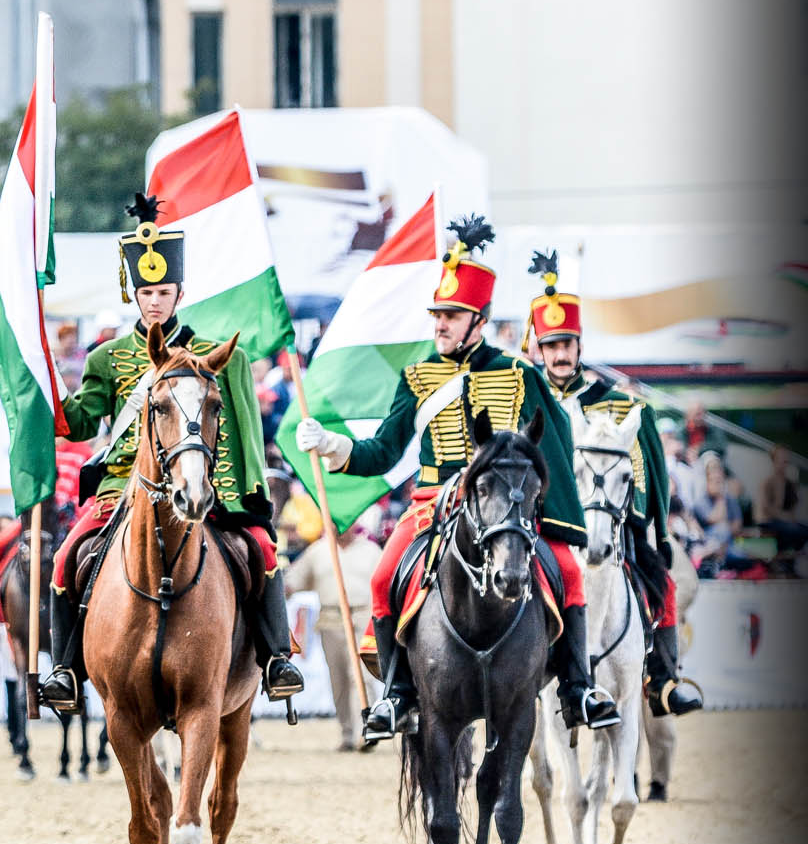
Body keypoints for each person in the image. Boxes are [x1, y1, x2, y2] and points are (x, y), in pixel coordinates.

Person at [295, 215, 613, 741]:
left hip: (504, 508)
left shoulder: (519, 374)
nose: (439, 324)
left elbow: (550, 448)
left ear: (479, 320)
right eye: (438, 314)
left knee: (571, 575)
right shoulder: (417, 376)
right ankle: (397, 694)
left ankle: (578, 686)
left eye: (452, 315)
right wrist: (334, 446)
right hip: (429, 506)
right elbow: (385, 450)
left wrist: (553, 518)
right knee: (381, 579)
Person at [39, 192, 305, 713]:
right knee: (66, 556)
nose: (154, 301)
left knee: (260, 550)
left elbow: (243, 432)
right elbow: (81, 420)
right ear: (133, 295)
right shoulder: (108, 358)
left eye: (163, 291)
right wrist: (40, 388)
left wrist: (241, 496)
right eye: (146, 292)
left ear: (180, 292)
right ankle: (66, 669)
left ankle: (276, 659)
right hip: (123, 486)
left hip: (205, 483)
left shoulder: (217, 356)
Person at [525, 252, 700, 715]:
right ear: (538, 350)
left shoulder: (618, 404)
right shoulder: (527, 403)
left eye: (567, 343)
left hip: (611, 522)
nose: (560, 354)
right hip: (543, 527)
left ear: (580, 347)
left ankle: (663, 681)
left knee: (661, 581)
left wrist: (626, 511)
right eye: (550, 345)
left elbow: (644, 471)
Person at [286, 520, 381, 749]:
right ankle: (347, 733)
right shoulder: (318, 551)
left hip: (362, 618)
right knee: (338, 680)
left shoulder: (371, 551)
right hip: (331, 620)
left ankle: (366, 730)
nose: (341, 528)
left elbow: (383, 583)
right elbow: (293, 581)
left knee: (361, 676)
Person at [755, 443, 807, 551]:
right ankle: (784, 560)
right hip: (769, 522)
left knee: (803, 529)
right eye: (781, 458)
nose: (784, 462)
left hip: (785, 523)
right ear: (774, 460)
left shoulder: (790, 483)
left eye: (786, 458)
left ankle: (788, 559)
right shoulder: (768, 482)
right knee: (794, 530)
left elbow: (793, 508)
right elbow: (767, 509)